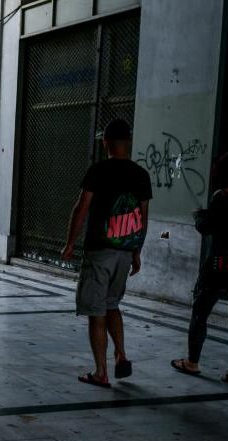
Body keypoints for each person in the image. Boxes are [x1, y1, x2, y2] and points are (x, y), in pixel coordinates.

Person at [61, 119, 152, 388]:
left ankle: (101, 372)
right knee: (112, 304)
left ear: (105, 143)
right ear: (129, 142)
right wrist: (136, 251)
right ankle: (121, 354)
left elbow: (82, 208)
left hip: (100, 251)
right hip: (125, 252)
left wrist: (70, 243)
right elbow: (143, 217)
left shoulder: (98, 170)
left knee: (96, 311)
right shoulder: (141, 174)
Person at [171, 152, 228, 388]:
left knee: (200, 313)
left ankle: (192, 362)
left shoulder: (221, 197)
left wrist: (198, 217)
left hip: (220, 264)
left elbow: (206, 227)